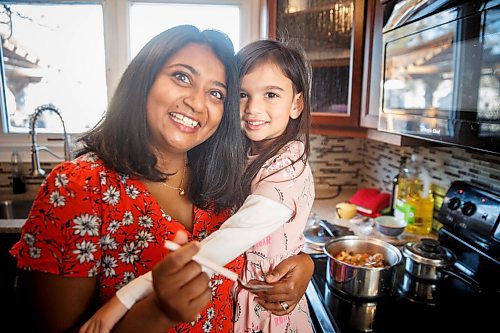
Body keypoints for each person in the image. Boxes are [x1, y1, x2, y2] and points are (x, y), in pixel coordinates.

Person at [10, 25, 313, 333]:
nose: (197, 102)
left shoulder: (219, 179)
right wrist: (157, 310)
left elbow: (257, 237)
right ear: (144, 79)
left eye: (216, 93)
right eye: (182, 77)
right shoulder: (79, 187)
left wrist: (302, 262)